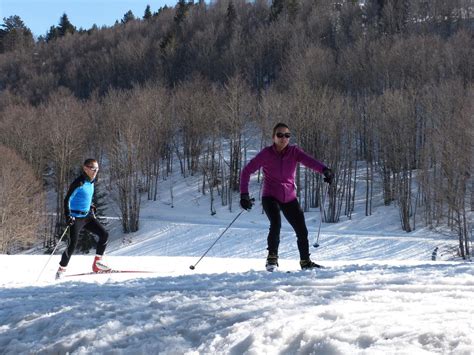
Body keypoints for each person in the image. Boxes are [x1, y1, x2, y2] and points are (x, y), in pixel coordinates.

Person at [240, 123, 334, 271]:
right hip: (270, 196)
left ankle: (305, 262)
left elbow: (309, 161)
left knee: (302, 229)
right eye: (280, 135)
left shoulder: (294, 152)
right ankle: (272, 259)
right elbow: (246, 171)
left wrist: (325, 170)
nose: (284, 138)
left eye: (287, 135)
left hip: (289, 197)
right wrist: (244, 194)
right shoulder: (266, 154)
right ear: (273, 137)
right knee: (276, 223)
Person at [55, 158, 111, 279]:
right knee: (73, 244)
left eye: (97, 169)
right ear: (85, 168)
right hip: (76, 217)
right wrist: (68, 216)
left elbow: (84, 197)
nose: (96, 171)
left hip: (87, 216)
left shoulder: (91, 181)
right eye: (93, 168)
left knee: (104, 234)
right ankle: (61, 270)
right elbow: (67, 199)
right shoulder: (79, 183)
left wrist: (90, 205)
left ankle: (97, 264)